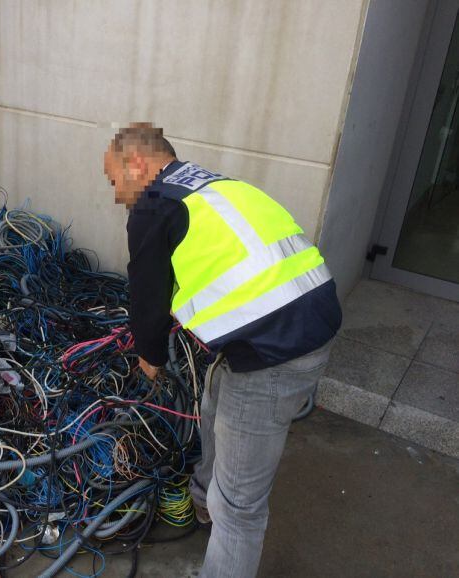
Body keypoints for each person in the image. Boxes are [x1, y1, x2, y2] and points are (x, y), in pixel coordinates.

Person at [103, 124, 341, 578]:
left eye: (114, 180)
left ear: (137, 164)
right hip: (309, 320)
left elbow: (148, 299)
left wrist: (149, 359)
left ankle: (220, 522)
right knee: (213, 398)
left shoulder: (154, 203)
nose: (117, 195)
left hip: (277, 352)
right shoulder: (217, 186)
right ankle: (201, 500)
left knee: (240, 508)